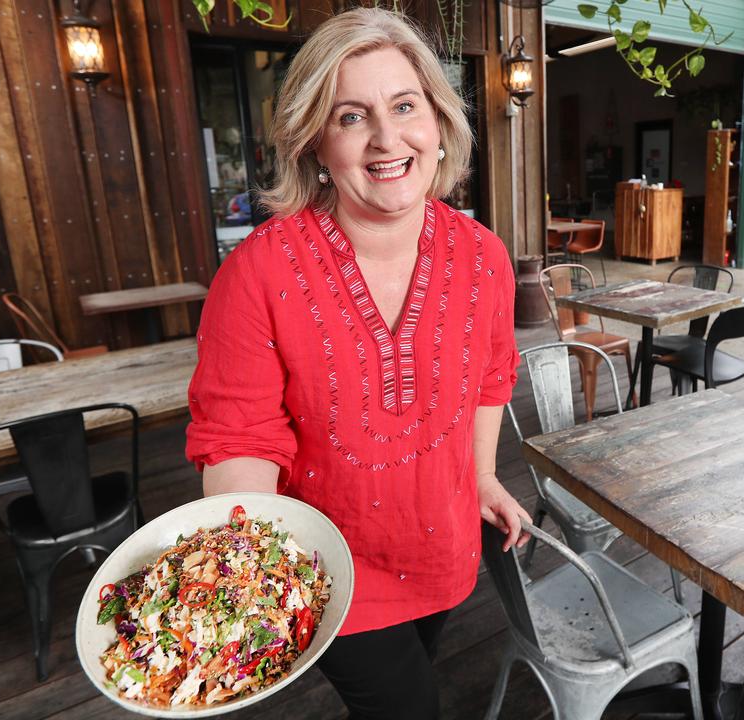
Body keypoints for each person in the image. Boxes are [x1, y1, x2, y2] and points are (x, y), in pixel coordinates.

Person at [185, 8, 530, 719]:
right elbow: (239, 436)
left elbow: (491, 379)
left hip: (443, 543)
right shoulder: (256, 274)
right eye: (350, 116)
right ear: (315, 140)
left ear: (437, 122)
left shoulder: (483, 257)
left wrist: (484, 476)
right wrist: (250, 563)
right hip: (326, 568)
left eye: (405, 106)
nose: (386, 138)